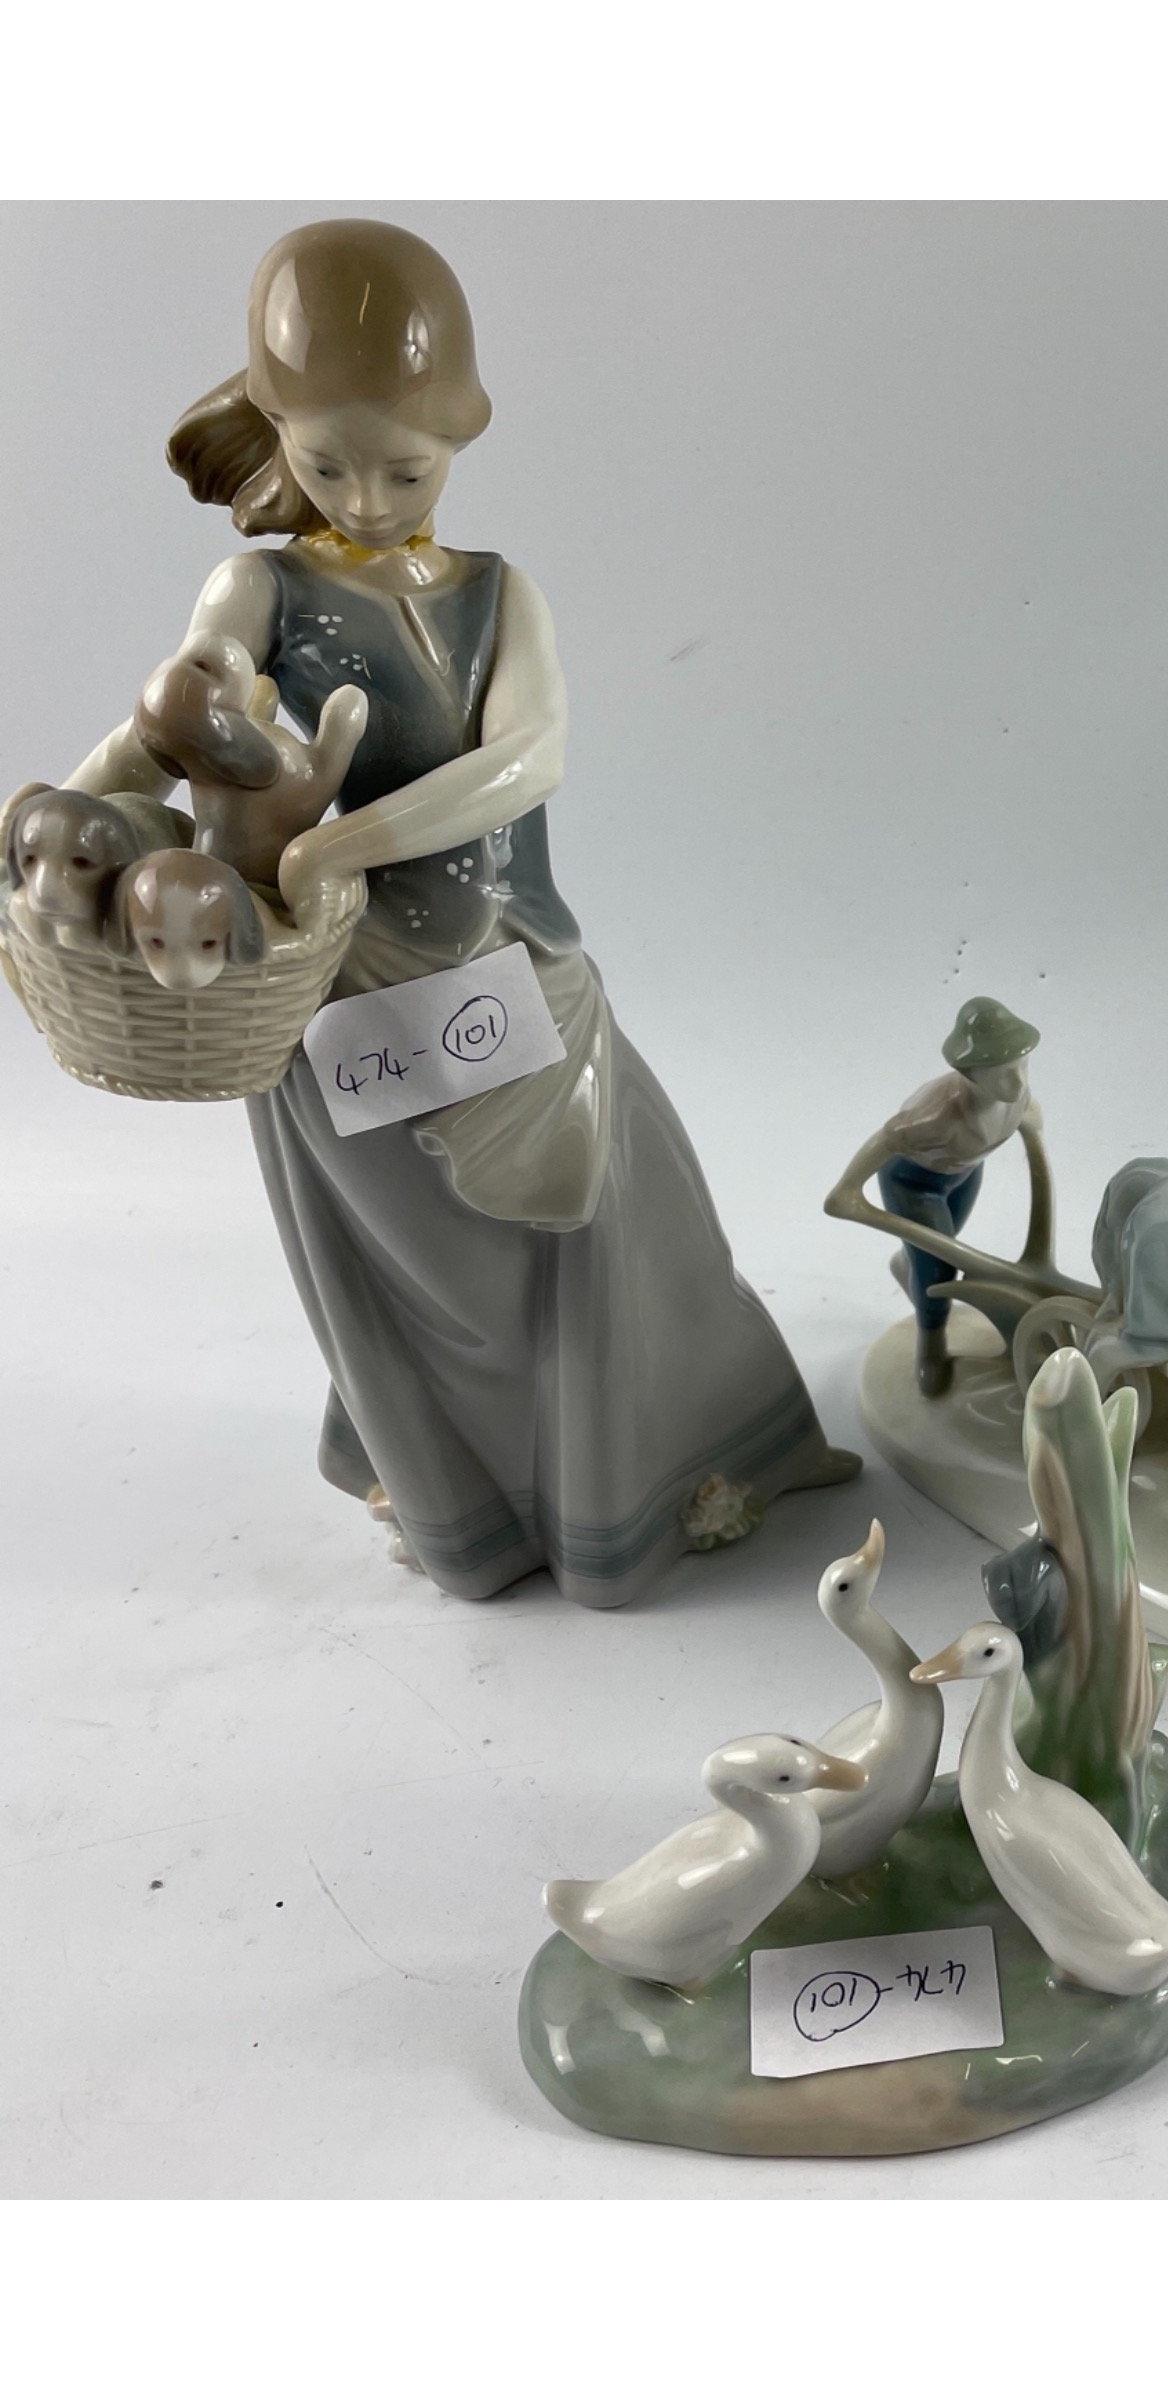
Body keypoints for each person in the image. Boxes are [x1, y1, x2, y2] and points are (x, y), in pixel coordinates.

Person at [50, 219, 856, 1604]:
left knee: (622, 1216)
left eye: (405, 468)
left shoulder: (498, 595)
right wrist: (67, 819)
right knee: (426, 1271)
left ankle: (645, 1487)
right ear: (278, 433)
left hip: (510, 964)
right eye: (325, 465)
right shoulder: (259, 588)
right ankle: (471, 1503)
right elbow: (164, 730)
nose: (365, 497)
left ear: (460, 436)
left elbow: (529, 759)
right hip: (338, 996)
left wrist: (340, 840)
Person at [826, 997, 1045, 1395]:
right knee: (943, 1268)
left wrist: (1030, 1125)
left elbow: (1028, 1110)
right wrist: (847, 1189)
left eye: (1023, 1066)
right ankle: (931, 1343)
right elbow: (884, 1140)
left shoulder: (1016, 1096)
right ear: (969, 1073)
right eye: (1002, 1073)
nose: (1017, 1082)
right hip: (914, 1184)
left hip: (964, 1174)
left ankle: (909, 1264)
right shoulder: (937, 1116)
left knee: (942, 1250)